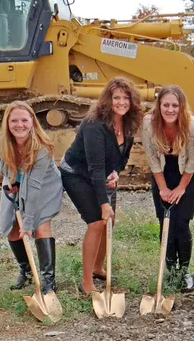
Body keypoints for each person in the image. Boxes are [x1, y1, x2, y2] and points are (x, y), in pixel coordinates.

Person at [59, 77, 143, 294]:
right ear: (108, 99)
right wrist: (104, 203)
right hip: (76, 174)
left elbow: (123, 157)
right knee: (97, 222)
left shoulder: (128, 123)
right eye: (117, 98)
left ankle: (98, 268)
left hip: (100, 174)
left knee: (109, 222)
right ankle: (86, 282)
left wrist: (115, 172)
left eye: (126, 98)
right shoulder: (94, 125)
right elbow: (95, 168)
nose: (121, 102)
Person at [0, 101, 63, 293]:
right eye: (14, 120)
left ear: (32, 121)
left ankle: (48, 281)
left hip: (45, 186)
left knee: (40, 226)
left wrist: (28, 222)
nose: (19, 125)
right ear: (7, 123)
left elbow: (34, 186)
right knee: (12, 228)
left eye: (24, 120)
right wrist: (11, 174)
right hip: (16, 183)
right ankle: (27, 271)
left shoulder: (42, 148)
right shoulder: (0, 141)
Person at [141, 85, 194, 292]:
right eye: (166, 105)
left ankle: (184, 271)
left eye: (175, 105)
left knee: (181, 221)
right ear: (158, 105)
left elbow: (192, 160)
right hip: (163, 170)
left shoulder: (193, 126)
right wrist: (162, 188)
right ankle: (170, 270)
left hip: (189, 172)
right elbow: (152, 157)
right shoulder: (149, 123)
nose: (170, 110)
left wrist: (181, 188)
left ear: (181, 106)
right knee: (165, 220)